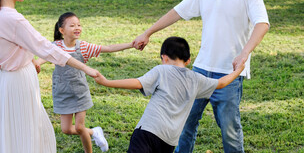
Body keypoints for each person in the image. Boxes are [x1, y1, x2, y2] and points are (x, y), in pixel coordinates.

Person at [133, 0, 270, 153]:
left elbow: (262, 24)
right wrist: (148, 32)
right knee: (185, 124)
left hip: (229, 74)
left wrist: (244, 54)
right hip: (199, 71)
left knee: (230, 131)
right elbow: (178, 11)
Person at [0, 0, 100, 153]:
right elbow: (46, 47)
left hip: (8, 82)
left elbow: (16, 46)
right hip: (19, 82)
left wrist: (30, 60)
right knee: (28, 133)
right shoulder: (13, 18)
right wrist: (85, 67)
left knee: (16, 133)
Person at [94, 36, 245, 153]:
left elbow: (137, 83)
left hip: (147, 132)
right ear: (188, 60)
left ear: (164, 58)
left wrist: (107, 82)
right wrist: (238, 70)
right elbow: (221, 83)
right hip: (169, 142)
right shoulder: (196, 79)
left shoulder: (161, 70)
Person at [36, 12, 133, 153]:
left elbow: (109, 48)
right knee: (66, 129)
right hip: (62, 92)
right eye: (72, 25)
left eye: (79, 25)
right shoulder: (56, 46)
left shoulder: (83, 47)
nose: (77, 27)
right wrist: (38, 63)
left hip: (79, 91)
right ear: (62, 31)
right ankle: (94, 132)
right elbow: (45, 56)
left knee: (80, 127)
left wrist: (132, 44)